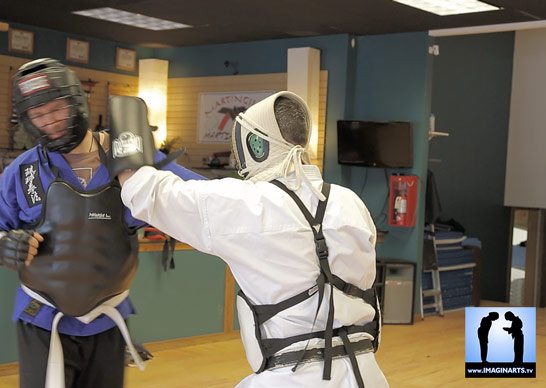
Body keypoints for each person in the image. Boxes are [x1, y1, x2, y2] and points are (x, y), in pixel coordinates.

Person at [113, 91, 388, 387]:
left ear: (255, 145)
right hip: (365, 375)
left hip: (291, 377)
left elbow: (146, 192)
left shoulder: (250, 205)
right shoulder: (351, 203)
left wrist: (124, 135)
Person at [0, 58, 203, 388]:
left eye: (56, 109)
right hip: (41, 317)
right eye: (38, 116)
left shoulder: (132, 159)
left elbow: (200, 196)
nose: (49, 123)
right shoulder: (22, 172)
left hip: (107, 318)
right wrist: (2, 246)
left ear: (76, 102)